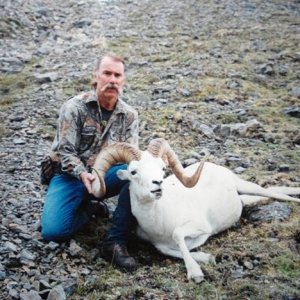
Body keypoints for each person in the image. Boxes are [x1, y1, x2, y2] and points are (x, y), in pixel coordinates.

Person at [40, 53, 139, 272]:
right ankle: (91, 210)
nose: (112, 80)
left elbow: (132, 156)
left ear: (123, 80)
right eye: (107, 73)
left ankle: (115, 241)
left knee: (136, 174)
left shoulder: (129, 115)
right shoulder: (74, 107)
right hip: (70, 176)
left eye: (117, 75)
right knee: (53, 232)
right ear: (96, 76)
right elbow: (64, 150)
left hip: (105, 177)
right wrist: (82, 173)